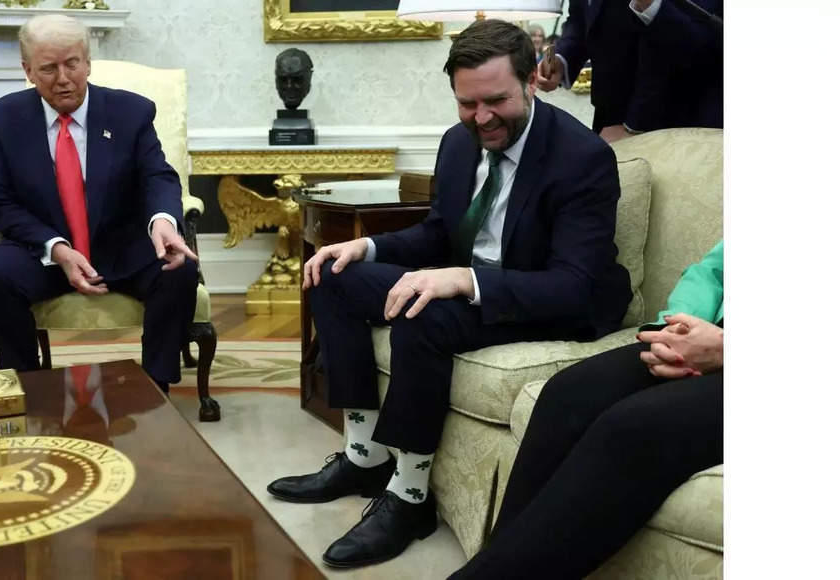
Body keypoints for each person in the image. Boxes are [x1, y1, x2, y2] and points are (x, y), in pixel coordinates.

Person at [266, 19, 631, 569]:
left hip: (547, 299)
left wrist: (464, 280)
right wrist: (365, 249)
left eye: (495, 101)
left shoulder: (581, 157)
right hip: (472, 282)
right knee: (330, 276)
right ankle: (364, 457)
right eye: (467, 103)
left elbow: (574, 285)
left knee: (425, 308)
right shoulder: (458, 144)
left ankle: (410, 498)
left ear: (531, 81)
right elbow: (441, 233)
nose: (481, 118)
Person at [449, 240, 723, 579]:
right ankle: (494, 565)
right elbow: (712, 270)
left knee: (633, 428)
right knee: (567, 394)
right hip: (709, 335)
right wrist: (681, 329)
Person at [0, 15, 198, 392]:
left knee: (178, 270)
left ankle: (156, 388)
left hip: (120, 245)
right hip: (46, 252)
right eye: (48, 68)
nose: (63, 78)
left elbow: (158, 176)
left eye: (72, 63)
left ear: (87, 62)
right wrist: (57, 249)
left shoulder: (131, 112)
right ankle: (30, 388)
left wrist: (163, 222)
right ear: (28, 70)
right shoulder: (2, 120)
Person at [537, 0, 722, 142]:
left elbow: (705, 40)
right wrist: (561, 59)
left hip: (683, 126)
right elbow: (581, 19)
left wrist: (633, 126)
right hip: (607, 124)